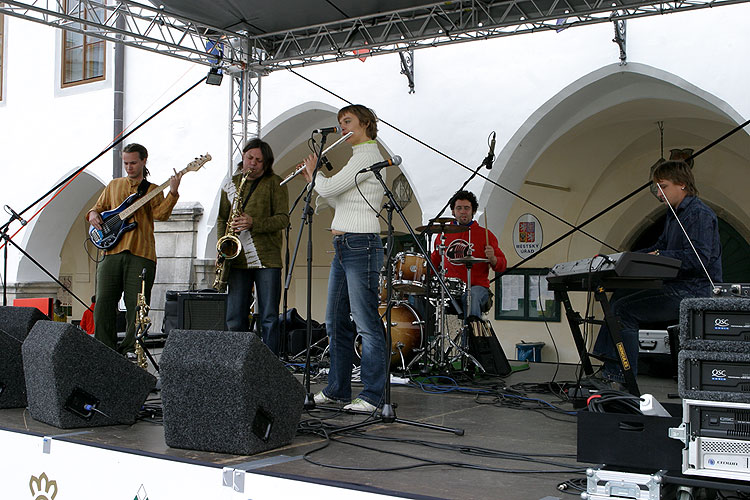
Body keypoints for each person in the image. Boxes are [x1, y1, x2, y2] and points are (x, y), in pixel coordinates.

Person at [593, 160, 722, 383]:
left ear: (681, 184)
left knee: (624, 311)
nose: (660, 194)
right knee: (618, 299)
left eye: (663, 186)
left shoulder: (698, 214)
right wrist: (624, 259)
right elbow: (658, 247)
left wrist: (661, 257)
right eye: (657, 188)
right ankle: (609, 368)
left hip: (694, 290)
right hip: (677, 287)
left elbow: (699, 258)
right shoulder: (674, 216)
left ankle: (622, 378)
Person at [301, 104, 387, 412]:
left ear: (365, 123)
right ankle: (338, 389)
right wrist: (318, 182)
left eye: (347, 122)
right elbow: (335, 197)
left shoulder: (367, 156)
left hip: (360, 244)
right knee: (335, 321)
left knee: (365, 322)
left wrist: (314, 175)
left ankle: (374, 395)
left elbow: (330, 187)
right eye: (340, 123)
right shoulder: (355, 158)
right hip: (344, 245)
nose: (342, 128)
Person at [87, 143, 182, 355]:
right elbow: (98, 209)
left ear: (144, 161)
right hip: (111, 251)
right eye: (126, 163)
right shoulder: (114, 185)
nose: (129, 167)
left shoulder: (152, 190)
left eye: (133, 163)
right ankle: (105, 348)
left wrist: (172, 193)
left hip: (141, 254)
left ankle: (131, 348)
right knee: (103, 302)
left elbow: (161, 215)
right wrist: (92, 214)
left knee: (137, 305)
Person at [217, 138, 289, 354]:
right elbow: (222, 218)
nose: (253, 163)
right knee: (234, 316)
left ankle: (269, 366)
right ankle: (237, 362)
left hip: (267, 258)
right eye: (250, 158)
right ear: (243, 158)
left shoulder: (276, 183)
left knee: (268, 316)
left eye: (259, 160)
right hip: (237, 258)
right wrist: (221, 248)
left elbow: (283, 219)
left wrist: (254, 223)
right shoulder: (231, 183)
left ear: (266, 164)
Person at [430, 190, 507, 319]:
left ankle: (473, 336)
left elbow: (502, 265)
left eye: (467, 208)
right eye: (459, 208)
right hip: (450, 288)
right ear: (453, 211)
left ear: (473, 211)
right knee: (422, 297)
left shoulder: (485, 235)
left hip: (478, 288)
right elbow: (434, 261)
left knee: (470, 297)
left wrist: (493, 258)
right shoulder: (443, 234)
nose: (463, 211)